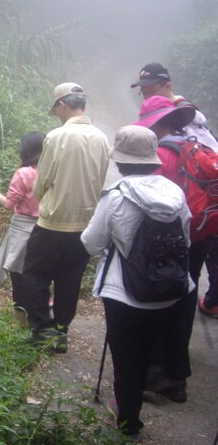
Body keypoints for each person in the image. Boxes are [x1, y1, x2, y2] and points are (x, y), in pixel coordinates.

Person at [81, 125, 192, 443]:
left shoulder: (117, 195)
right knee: (150, 349)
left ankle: (129, 424)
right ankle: (142, 398)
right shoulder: (174, 192)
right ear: (153, 158)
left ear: (121, 161)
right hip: (170, 291)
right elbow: (184, 239)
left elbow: (91, 242)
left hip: (125, 294)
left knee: (126, 357)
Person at [22, 82, 109, 352]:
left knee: (35, 274)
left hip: (52, 222)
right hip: (84, 226)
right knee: (69, 280)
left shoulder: (57, 137)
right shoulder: (102, 138)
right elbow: (100, 179)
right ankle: (61, 332)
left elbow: (41, 182)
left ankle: (40, 330)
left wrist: (44, 198)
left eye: (57, 109)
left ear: (62, 105)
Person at [131, 63, 218, 320]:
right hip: (200, 208)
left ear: (168, 85)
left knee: (184, 275)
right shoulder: (181, 115)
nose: (146, 92)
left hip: (192, 211)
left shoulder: (187, 118)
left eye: (151, 87)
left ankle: (176, 332)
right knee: (192, 271)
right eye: (143, 89)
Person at [132, 96, 198, 402]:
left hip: (168, 242)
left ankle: (157, 377)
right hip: (197, 234)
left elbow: (149, 203)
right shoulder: (191, 144)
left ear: (155, 123)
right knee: (181, 305)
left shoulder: (161, 153)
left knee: (160, 306)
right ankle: (177, 382)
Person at [0, 131, 45, 324]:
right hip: (46, 229)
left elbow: (8, 204)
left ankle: (21, 323)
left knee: (19, 277)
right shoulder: (51, 172)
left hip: (23, 230)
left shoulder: (24, 173)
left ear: (26, 150)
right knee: (39, 276)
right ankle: (40, 321)